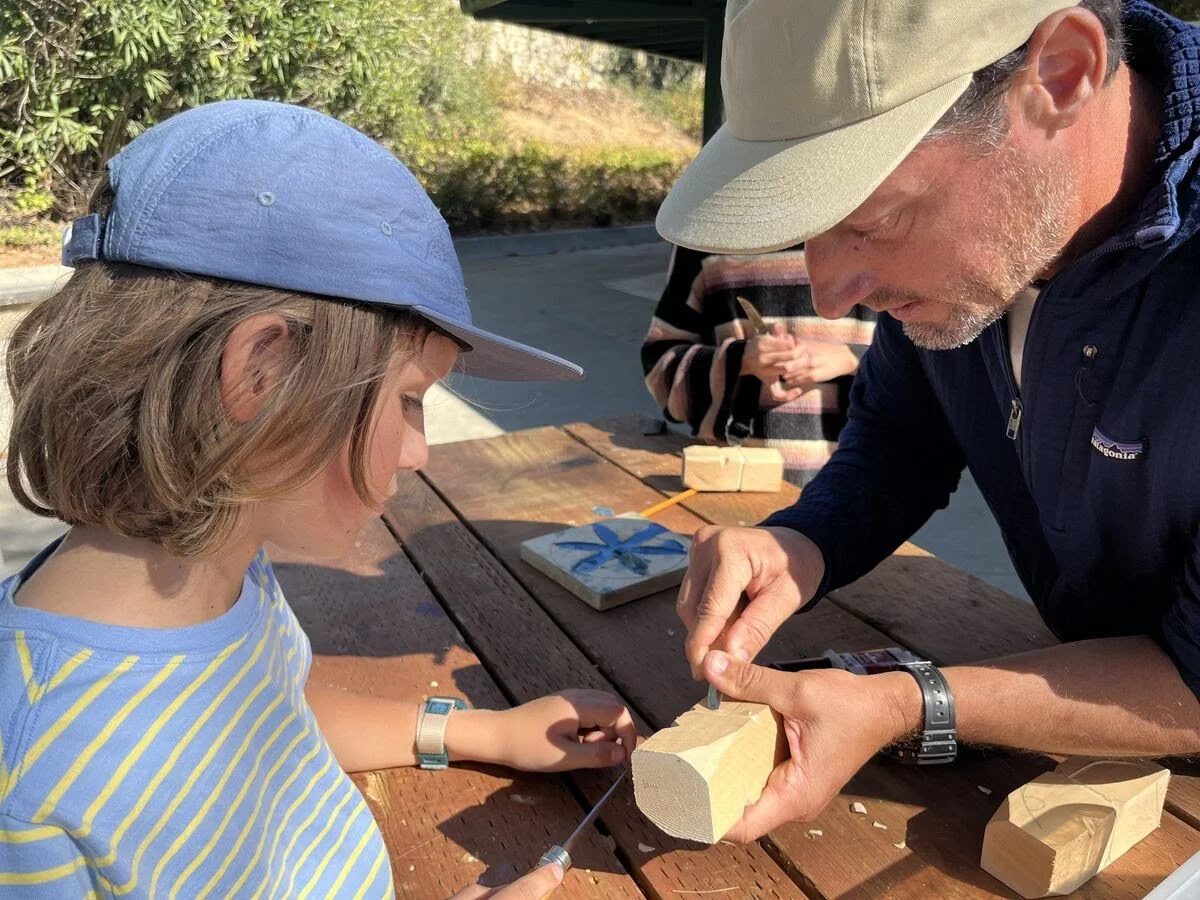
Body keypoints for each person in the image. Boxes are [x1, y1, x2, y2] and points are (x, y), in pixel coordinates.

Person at [0, 100, 636, 899]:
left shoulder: (216, 567)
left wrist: (474, 731)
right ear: (262, 374)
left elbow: (270, 715)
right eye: (409, 398)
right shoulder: (30, 778)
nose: (420, 449)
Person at [656, 0, 1200, 842]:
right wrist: (802, 542)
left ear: (1060, 75)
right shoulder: (1000, 238)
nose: (830, 292)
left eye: (874, 219)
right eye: (809, 231)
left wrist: (910, 704)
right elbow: (899, 438)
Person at [642, 244, 875, 486]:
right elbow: (660, 369)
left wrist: (854, 358)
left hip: (856, 492)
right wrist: (739, 360)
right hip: (737, 486)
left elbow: (915, 360)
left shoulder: (881, 225)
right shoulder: (704, 236)